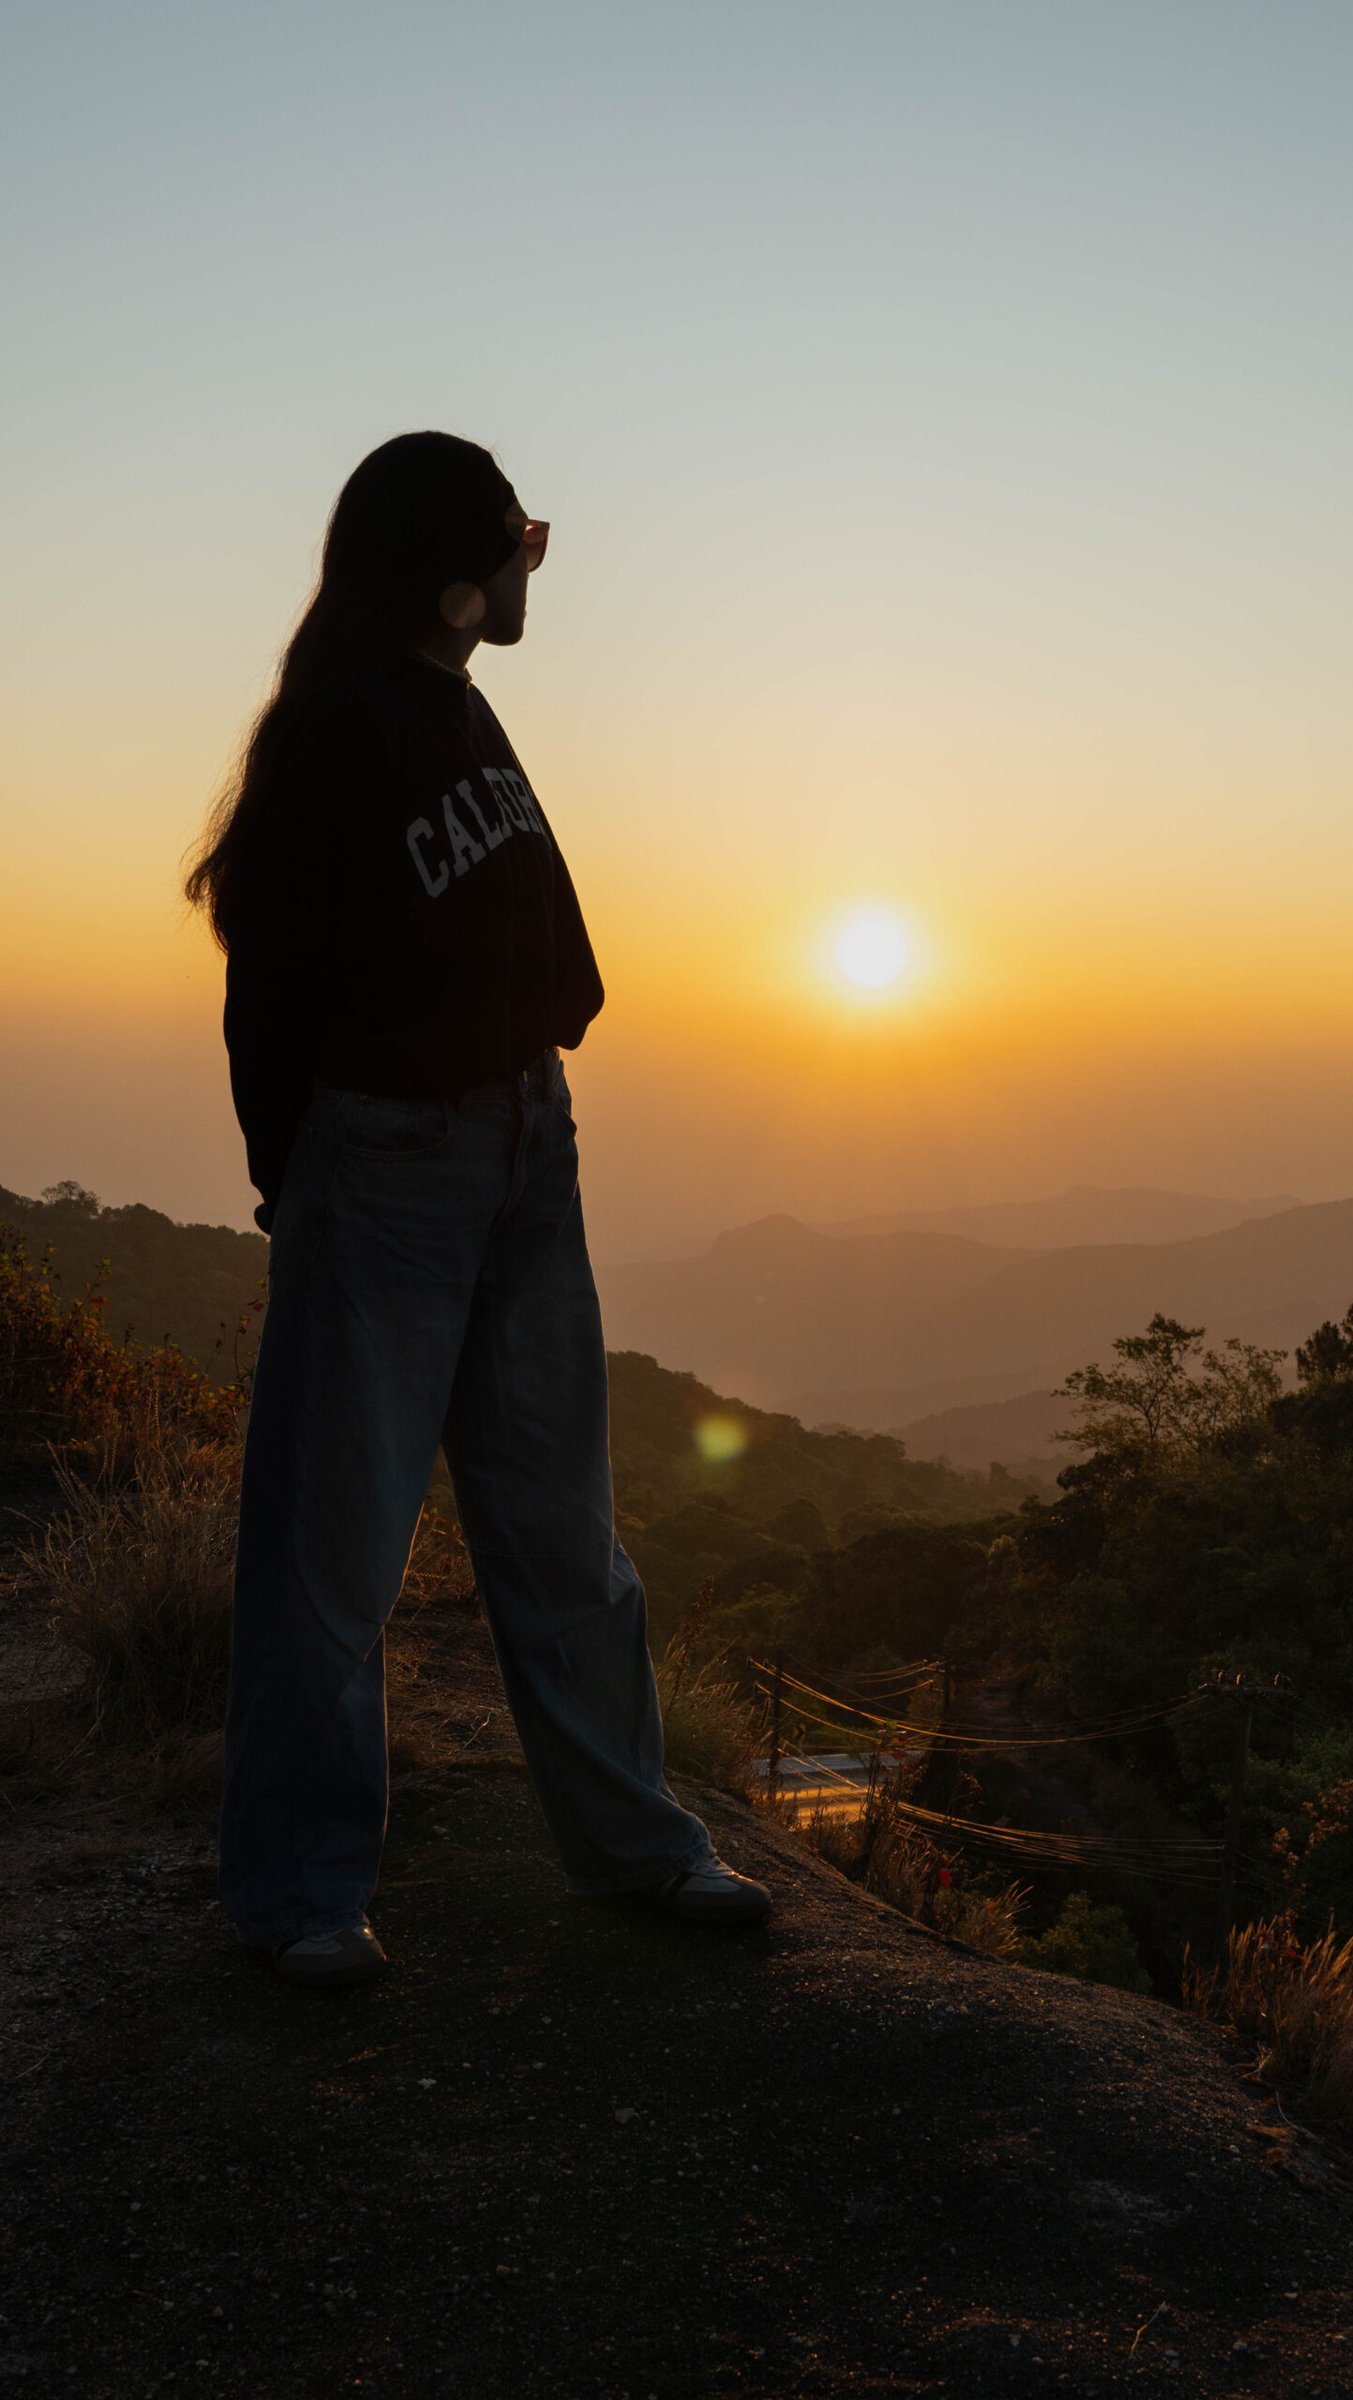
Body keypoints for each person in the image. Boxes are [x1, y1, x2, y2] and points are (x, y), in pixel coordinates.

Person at [183, 431, 771, 1987]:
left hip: (524, 1145)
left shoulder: (453, 702)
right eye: (521, 541)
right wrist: (292, 1174)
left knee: (566, 1535)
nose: (533, 568)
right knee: (333, 1556)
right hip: (389, 1164)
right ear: (458, 582)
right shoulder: (342, 730)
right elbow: (271, 982)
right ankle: (304, 1897)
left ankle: (639, 1844)